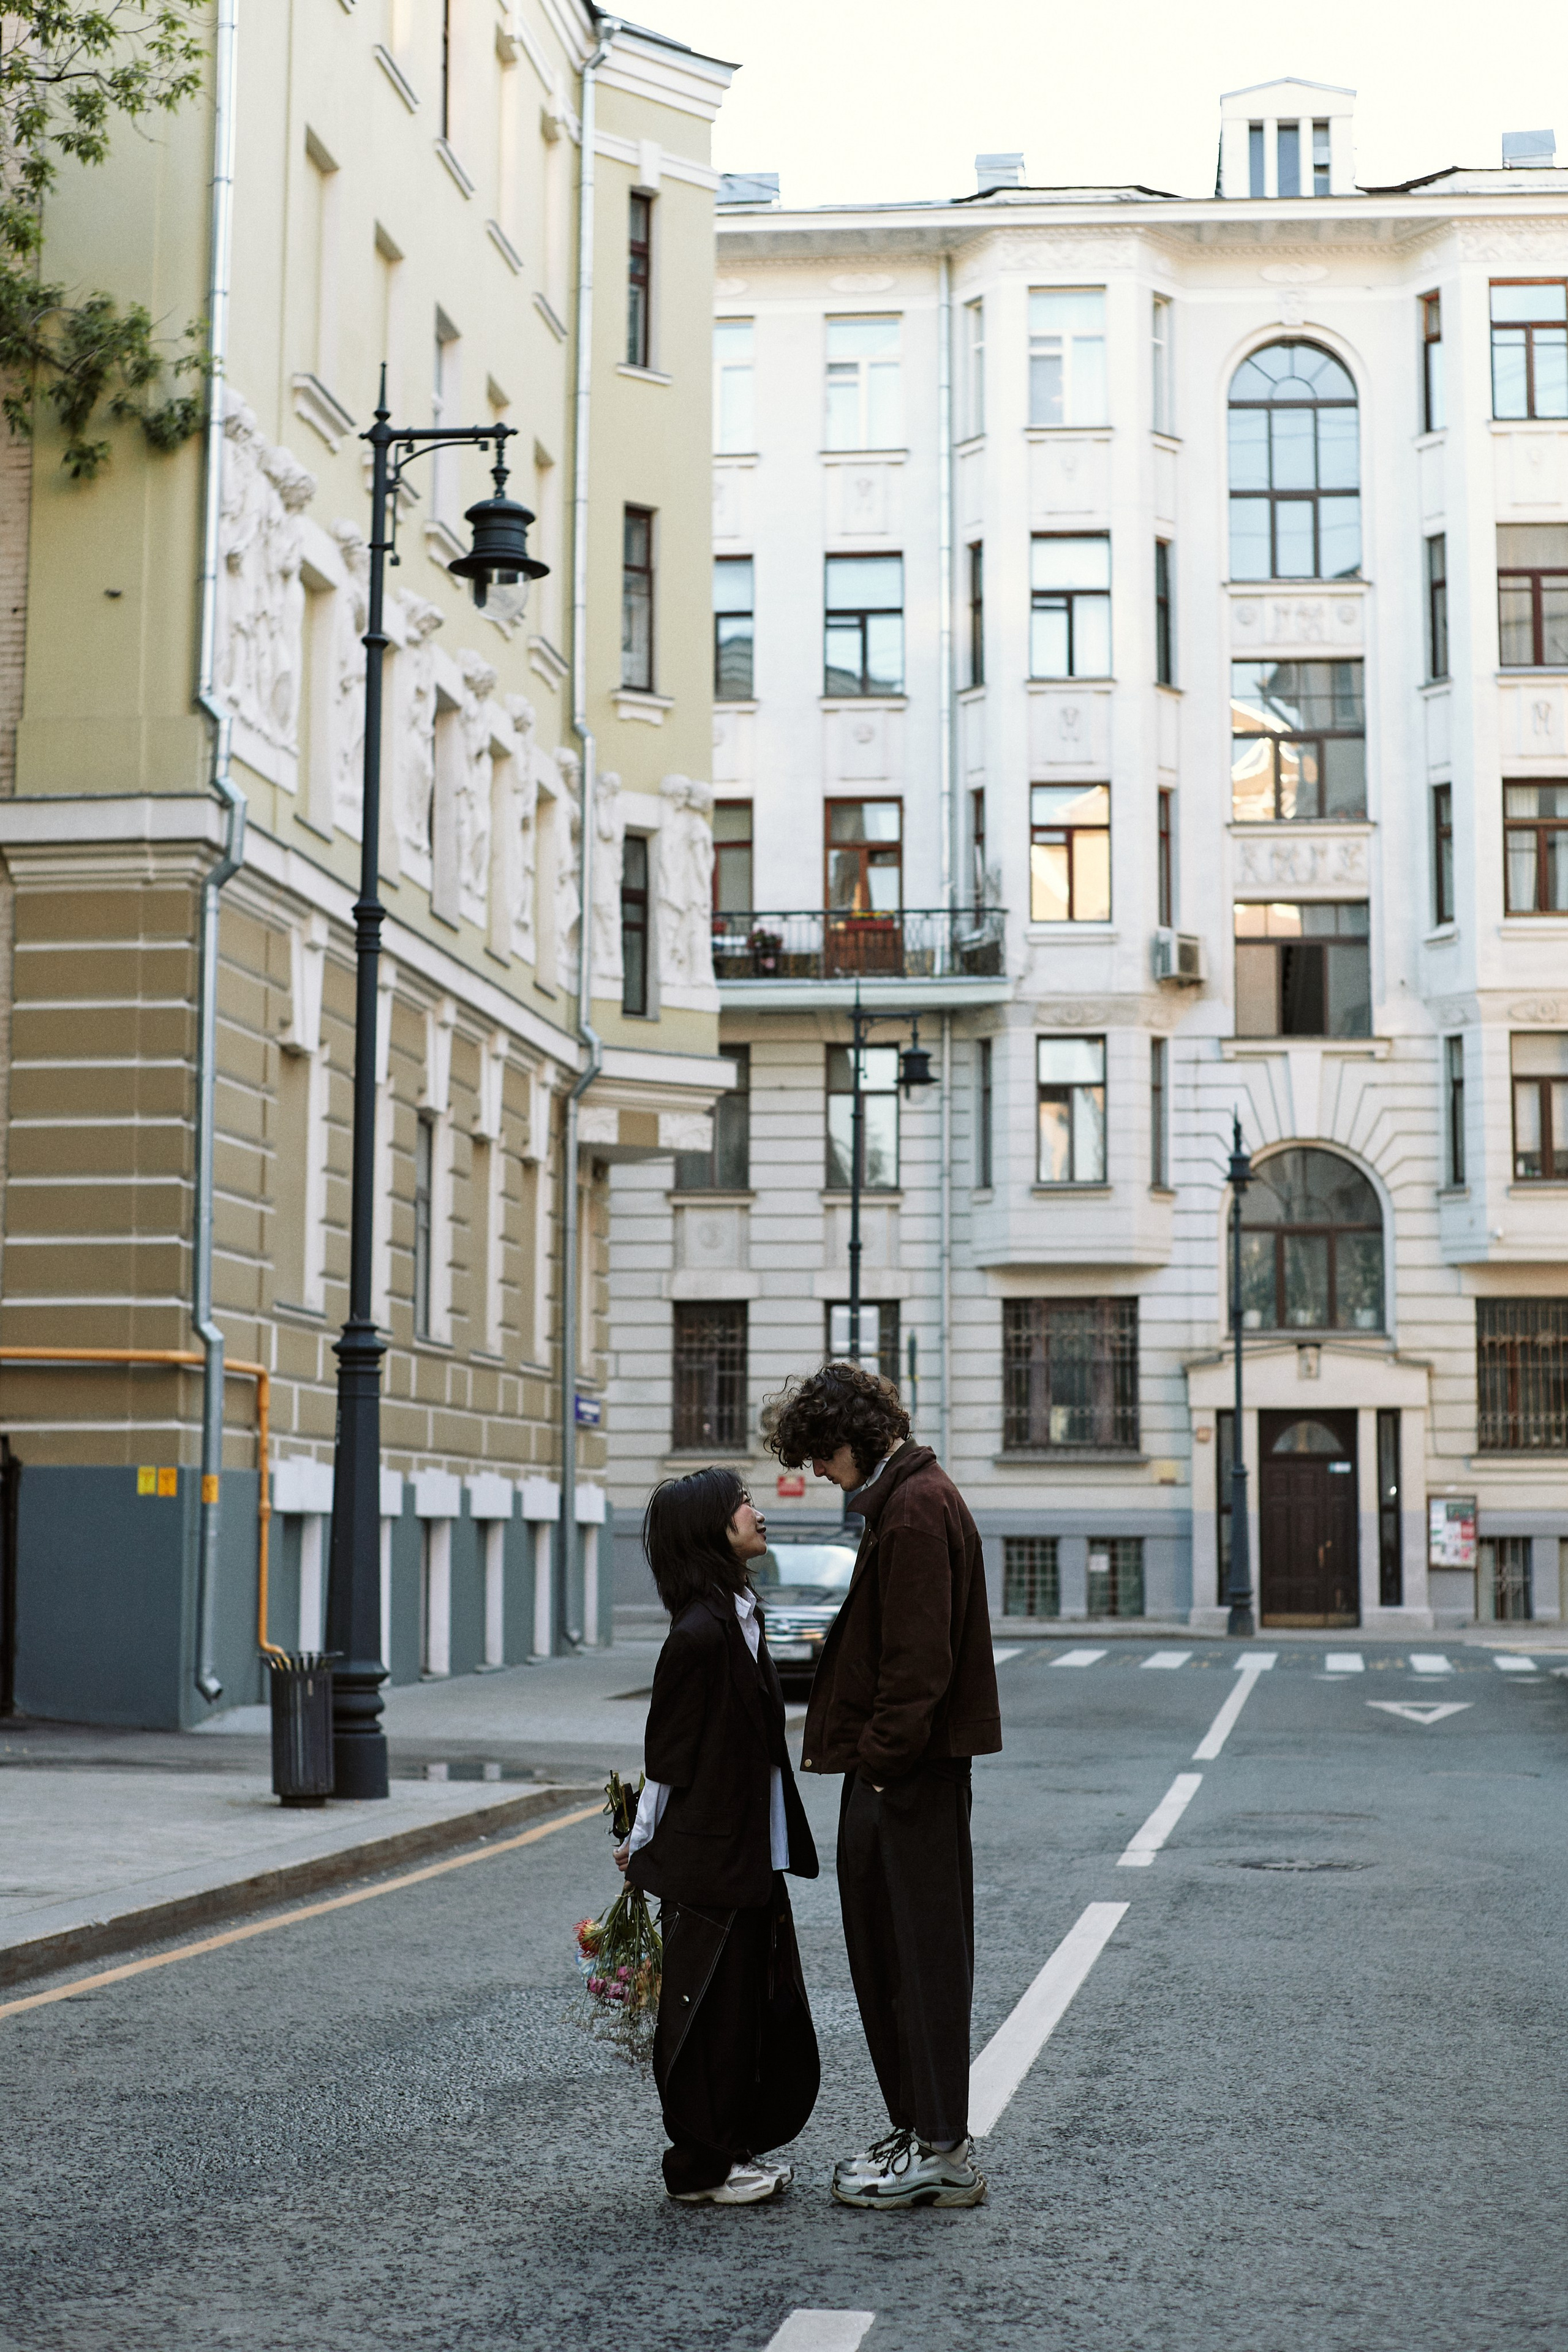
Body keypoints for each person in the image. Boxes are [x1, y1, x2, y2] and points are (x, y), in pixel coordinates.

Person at [764, 1359, 1000, 2211]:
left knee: (918, 1965)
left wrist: (880, 1763)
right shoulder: (909, 1500)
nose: (820, 1475)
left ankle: (941, 2150)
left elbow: (916, 1668)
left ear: (851, 1440)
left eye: (821, 1458)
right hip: (901, 1775)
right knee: (894, 1961)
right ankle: (921, 2131)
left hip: (906, 1781)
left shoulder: (913, 1509)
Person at [619, 1466, 820, 2205]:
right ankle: (699, 2170)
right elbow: (669, 1759)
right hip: (709, 1861)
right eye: (741, 1505)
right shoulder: (699, 1635)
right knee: (705, 2014)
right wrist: (642, 1842)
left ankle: (732, 2151)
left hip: (749, 1856)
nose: (757, 1513)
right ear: (710, 1529)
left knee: (744, 2010)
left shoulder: (737, 1615)